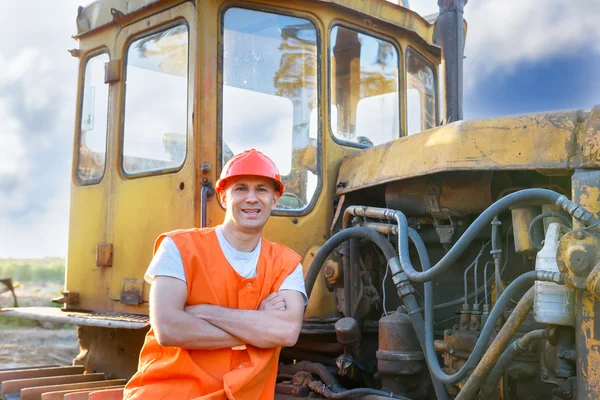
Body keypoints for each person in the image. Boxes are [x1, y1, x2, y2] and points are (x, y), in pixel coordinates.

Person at [124, 149, 307, 399]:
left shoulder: (286, 263)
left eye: (261, 190)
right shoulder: (178, 248)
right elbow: (169, 328)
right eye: (241, 188)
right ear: (222, 196)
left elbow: (286, 332)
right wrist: (257, 326)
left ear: (274, 200)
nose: (251, 198)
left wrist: (205, 313)